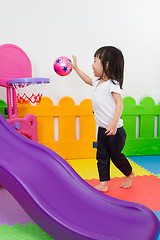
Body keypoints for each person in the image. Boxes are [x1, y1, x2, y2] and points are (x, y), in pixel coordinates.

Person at [69, 46, 134, 192]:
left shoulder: (113, 84)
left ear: (107, 64)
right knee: (102, 156)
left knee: (116, 157)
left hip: (115, 131)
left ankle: (129, 174)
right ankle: (103, 183)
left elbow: (119, 103)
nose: (92, 65)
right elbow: (86, 79)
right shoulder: (97, 82)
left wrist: (114, 121)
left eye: (95, 61)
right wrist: (76, 67)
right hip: (102, 129)